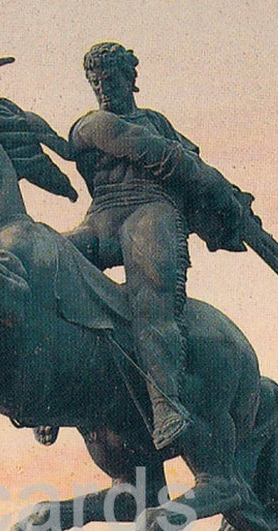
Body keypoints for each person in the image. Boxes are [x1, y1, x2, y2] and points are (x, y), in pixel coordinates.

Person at [60, 42, 252, 451]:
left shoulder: (158, 121)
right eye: (95, 82)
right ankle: (52, 390)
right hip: (103, 217)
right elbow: (162, 156)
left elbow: (187, 160)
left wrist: (228, 204)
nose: (102, 89)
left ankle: (165, 405)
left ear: (130, 79)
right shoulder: (91, 125)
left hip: (152, 212)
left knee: (152, 301)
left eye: (110, 79)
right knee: (51, 258)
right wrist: (212, 182)